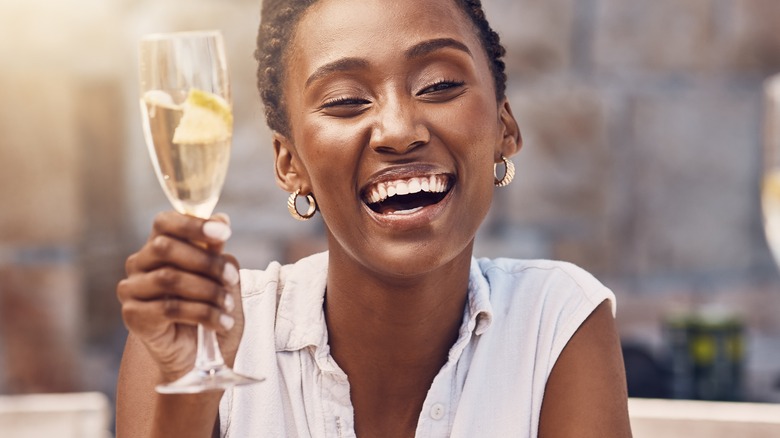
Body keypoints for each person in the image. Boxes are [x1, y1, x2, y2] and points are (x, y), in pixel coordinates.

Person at [116, 0, 632, 436]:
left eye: (438, 85)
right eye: (345, 101)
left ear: (505, 127)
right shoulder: (191, 337)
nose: (398, 130)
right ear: (290, 164)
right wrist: (188, 396)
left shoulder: (556, 323)